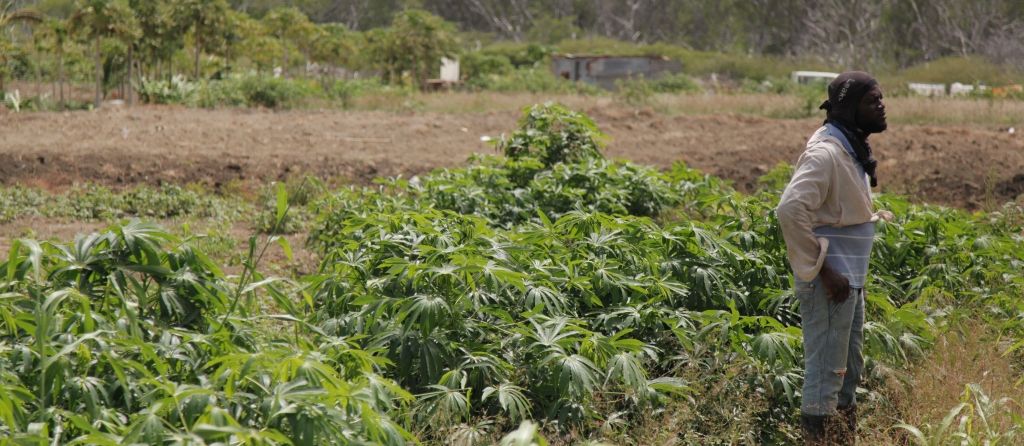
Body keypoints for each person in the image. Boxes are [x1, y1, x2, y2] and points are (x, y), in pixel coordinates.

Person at [776, 71, 893, 445]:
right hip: (832, 284)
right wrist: (824, 271)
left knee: (848, 374)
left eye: (880, 97)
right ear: (849, 106)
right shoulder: (825, 152)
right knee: (826, 375)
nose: (881, 104)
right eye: (872, 99)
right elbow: (789, 210)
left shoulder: (849, 146)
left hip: (848, 283)